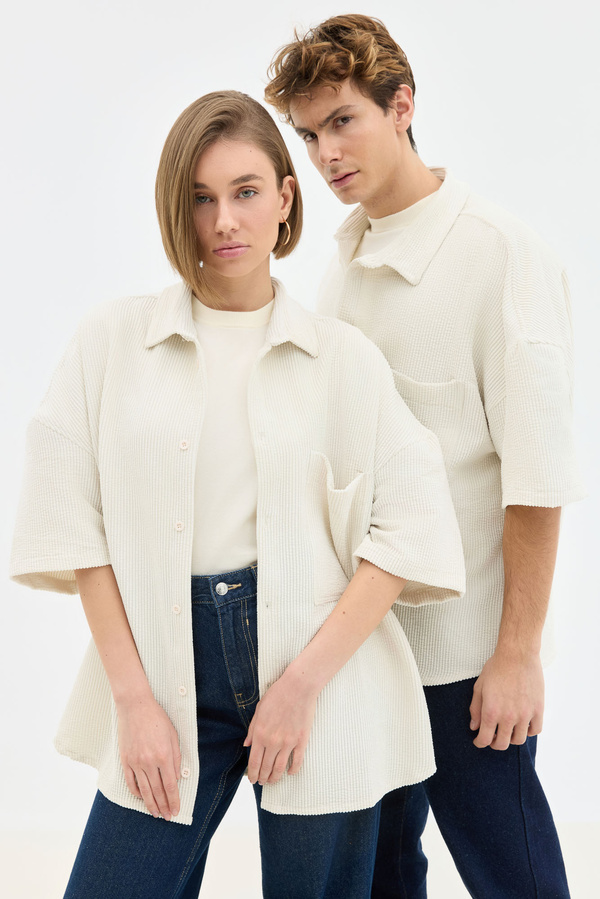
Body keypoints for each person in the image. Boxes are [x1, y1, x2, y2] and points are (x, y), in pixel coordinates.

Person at [10, 90, 466, 898]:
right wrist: (134, 702)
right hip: (164, 664)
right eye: (200, 197)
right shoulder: (112, 343)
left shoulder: (343, 359)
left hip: (321, 672)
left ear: (285, 198)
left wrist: (299, 688)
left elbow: (410, 530)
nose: (224, 220)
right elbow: (73, 524)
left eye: (246, 191)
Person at [265, 14, 585, 899]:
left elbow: (538, 476)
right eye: (308, 134)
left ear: (401, 106)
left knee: (514, 875)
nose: (325, 154)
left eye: (342, 121)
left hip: (466, 658)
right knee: (382, 875)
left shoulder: (500, 255)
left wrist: (516, 654)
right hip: (368, 648)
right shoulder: (344, 263)